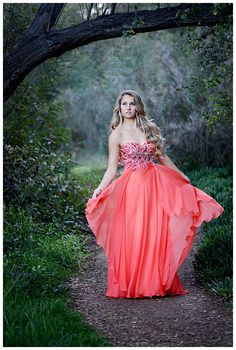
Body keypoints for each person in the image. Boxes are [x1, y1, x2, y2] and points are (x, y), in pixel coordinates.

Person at [85, 89, 224, 299]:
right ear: (119, 107)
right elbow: (112, 169)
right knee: (136, 233)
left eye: (132, 103)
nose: (128, 107)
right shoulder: (116, 135)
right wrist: (99, 189)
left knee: (156, 233)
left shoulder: (149, 128)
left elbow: (162, 157)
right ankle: (136, 283)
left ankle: (155, 282)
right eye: (124, 104)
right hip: (131, 189)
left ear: (138, 106)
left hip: (155, 185)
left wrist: (182, 177)